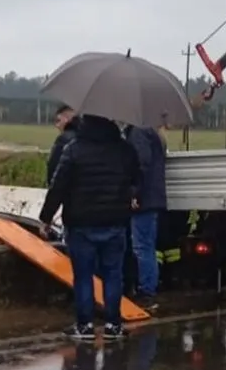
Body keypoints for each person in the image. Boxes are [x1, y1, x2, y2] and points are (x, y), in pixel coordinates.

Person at [38, 114, 140, 341]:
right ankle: (114, 325)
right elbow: (136, 179)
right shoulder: (124, 149)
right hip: (115, 221)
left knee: (83, 276)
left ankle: (85, 326)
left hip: (80, 223)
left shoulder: (74, 149)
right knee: (114, 274)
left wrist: (45, 218)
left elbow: (58, 187)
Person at [124, 124, 167, 310]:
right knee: (147, 246)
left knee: (142, 247)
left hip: (145, 199)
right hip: (152, 197)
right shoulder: (151, 132)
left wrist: (135, 193)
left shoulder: (138, 132)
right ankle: (148, 290)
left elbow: (141, 163)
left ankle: (146, 293)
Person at [46, 105, 78, 186]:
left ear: (67, 119)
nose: (57, 126)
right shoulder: (86, 138)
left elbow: (53, 167)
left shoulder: (64, 140)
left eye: (58, 121)